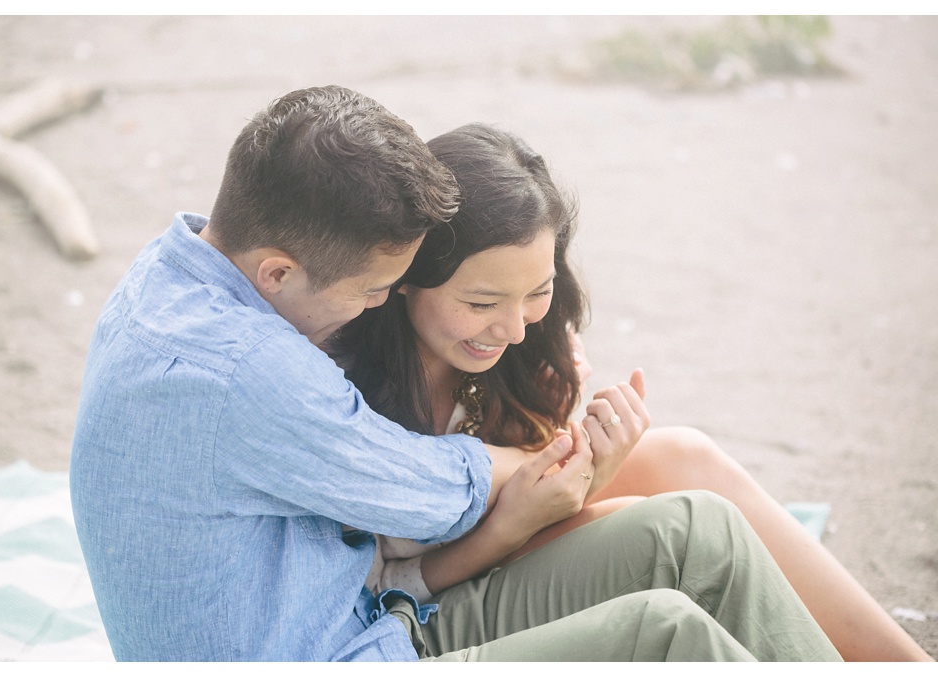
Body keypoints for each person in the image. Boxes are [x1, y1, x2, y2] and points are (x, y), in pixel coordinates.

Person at [69, 86, 841, 661]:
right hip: (341, 653)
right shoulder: (250, 372)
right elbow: (433, 495)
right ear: (277, 272)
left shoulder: (176, 269)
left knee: (698, 530)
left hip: (372, 616)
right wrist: (544, 465)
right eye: (372, 291)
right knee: (668, 634)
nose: (376, 306)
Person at [328, 122, 932, 661]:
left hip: (501, 529)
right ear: (404, 276)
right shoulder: (341, 389)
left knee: (684, 457)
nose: (513, 329)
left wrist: (573, 446)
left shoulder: (524, 340)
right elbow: (374, 588)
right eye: (482, 303)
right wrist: (520, 513)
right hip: (422, 596)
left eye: (536, 291)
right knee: (665, 529)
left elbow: (537, 440)